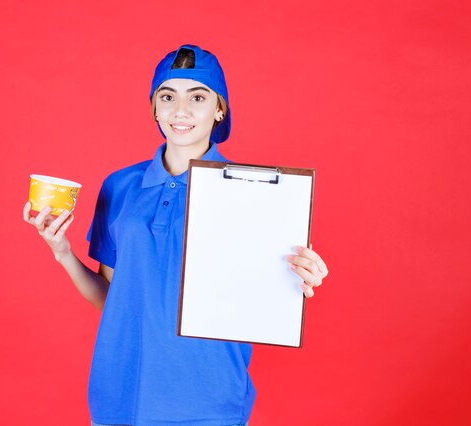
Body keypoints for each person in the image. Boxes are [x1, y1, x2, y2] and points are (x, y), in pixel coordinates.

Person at [23, 44, 329, 426]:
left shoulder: (255, 193)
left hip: (209, 399)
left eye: (197, 97)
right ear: (154, 107)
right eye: (167, 96)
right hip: (120, 395)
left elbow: (263, 296)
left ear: (219, 109)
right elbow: (113, 298)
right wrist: (63, 251)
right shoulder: (119, 186)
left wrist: (298, 277)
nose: (180, 111)